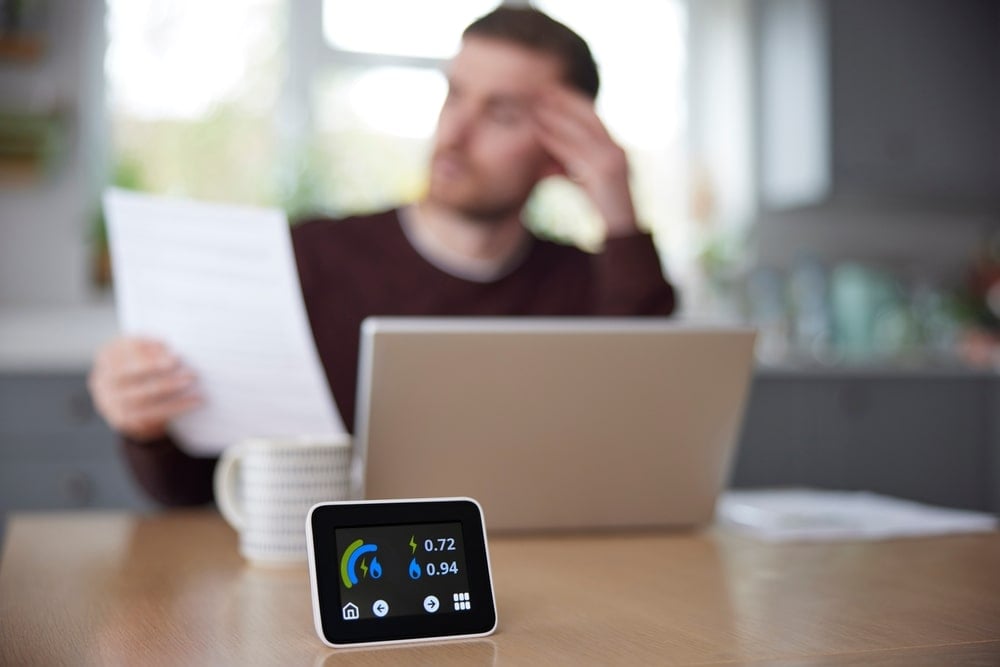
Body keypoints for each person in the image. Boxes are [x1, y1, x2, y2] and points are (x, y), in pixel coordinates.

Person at [88, 6, 677, 506]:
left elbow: (653, 431)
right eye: (454, 95)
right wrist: (147, 423)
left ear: (558, 156)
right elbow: (189, 492)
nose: (455, 132)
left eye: (501, 114)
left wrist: (617, 206)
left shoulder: (584, 286)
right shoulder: (305, 258)